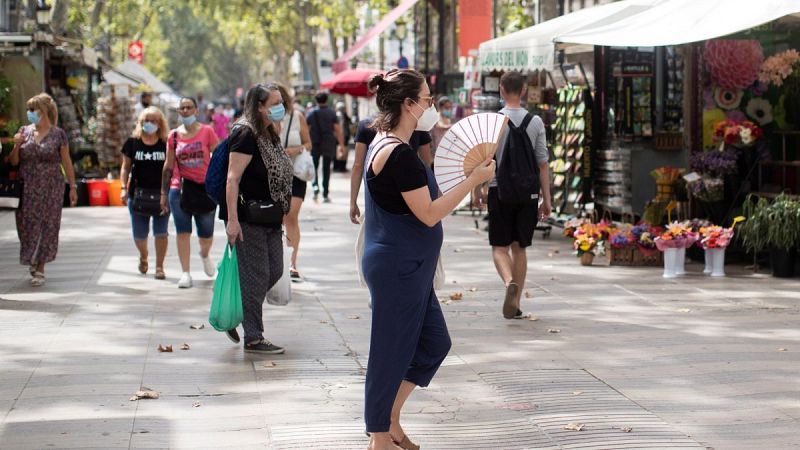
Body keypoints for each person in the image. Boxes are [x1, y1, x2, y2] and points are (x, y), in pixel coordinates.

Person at [361, 69, 495, 450]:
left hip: (409, 267)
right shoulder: (396, 154)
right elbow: (430, 213)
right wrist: (473, 180)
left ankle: (390, 417)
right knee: (389, 353)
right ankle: (379, 436)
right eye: (427, 99)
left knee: (434, 343)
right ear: (408, 104)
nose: (431, 106)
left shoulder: (387, 142)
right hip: (397, 268)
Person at [223, 83, 294, 353]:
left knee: (274, 269)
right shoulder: (245, 133)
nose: (280, 107)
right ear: (260, 106)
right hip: (248, 216)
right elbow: (233, 178)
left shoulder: (270, 132)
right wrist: (232, 220)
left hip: (271, 215)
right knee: (257, 274)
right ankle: (253, 336)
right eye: (275, 102)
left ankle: (239, 313)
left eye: (281, 101)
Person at [483, 71, 551, 319]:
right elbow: (543, 163)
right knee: (519, 248)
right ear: (523, 91)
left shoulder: (492, 121)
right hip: (528, 194)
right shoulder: (535, 122)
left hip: (497, 189)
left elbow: (484, 160)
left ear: (501, 89)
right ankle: (517, 302)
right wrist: (547, 200)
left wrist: (478, 191)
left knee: (499, 247)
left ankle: (508, 281)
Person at [9, 93, 77, 287]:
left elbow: (66, 161)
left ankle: (40, 266)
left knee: (48, 225)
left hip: (51, 187)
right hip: (27, 187)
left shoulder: (58, 134)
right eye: (28, 110)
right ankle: (31, 255)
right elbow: (14, 162)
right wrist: (16, 145)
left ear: (44, 111)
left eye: (33, 110)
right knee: (25, 225)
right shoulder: (24, 132)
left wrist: (72, 186)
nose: (29, 113)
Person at [160, 97, 220, 288]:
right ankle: (185, 272)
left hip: (205, 189)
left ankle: (204, 255)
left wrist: (221, 183)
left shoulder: (207, 132)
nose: (185, 111)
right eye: (182, 108)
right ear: (179, 112)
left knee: (206, 236)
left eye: (189, 108)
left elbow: (219, 158)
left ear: (196, 111)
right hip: (180, 190)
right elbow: (168, 166)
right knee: (182, 232)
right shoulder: (174, 136)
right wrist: (164, 193)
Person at [120, 106, 170, 280]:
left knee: (161, 233)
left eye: (154, 121)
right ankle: (143, 255)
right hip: (138, 195)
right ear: (141, 123)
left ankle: (159, 266)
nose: (150, 124)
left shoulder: (166, 144)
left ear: (160, 124)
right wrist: (123, 188)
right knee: (140, 235)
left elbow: (171, 168)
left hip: (162, 195)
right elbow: (125, 167)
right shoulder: (132, 143)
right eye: (146, 121)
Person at [350, 119, 432, 224]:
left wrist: (353, 202)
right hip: (411, 191)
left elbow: (358, 165)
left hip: (376, 196)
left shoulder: (367, 125)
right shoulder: (419, 126)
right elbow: (427, 163)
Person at [276, 84, 313, 279]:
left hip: (296, 173)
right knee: (278, 216)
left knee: (291, 215)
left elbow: (309, 143)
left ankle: (292, 262)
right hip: (273, 175)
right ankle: (278, 261)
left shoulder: (297, 117)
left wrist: (295, 149)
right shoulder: (263, 120)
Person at [306, 92, 344, 202]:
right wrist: (341, 145)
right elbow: (338, 130)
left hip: (315, 143)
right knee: (326, 168)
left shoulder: (311, 113)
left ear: (316, 101)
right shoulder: (332, 113)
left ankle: (315, 187)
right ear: (326, 100)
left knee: (314, 166)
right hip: (328, 143)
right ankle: (325, 194)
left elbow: (306, 130)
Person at [430, 96, 454, 160]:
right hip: (437, 150)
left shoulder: (448, 119)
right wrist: (451, 126)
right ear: (440, 107)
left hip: (447, 149)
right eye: (446, 107)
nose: (448, 109)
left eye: (449, 107)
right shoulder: (436, 116)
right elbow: (439, 127)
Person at [333, 101, 351, 172]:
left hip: (339, 136)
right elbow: (341, 127)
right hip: (342, 136)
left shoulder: (340, 115)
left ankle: (339, 166)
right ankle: (341, 167)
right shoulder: (340, 115)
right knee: (342, 151)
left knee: (338, 151)